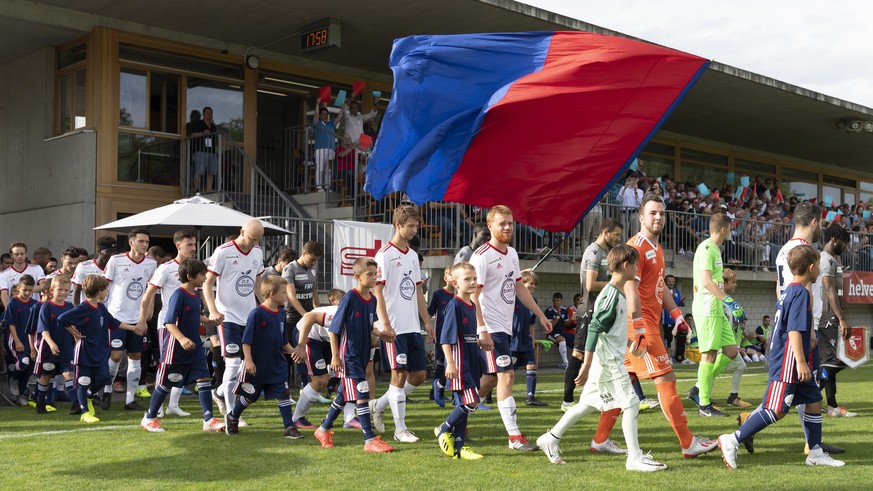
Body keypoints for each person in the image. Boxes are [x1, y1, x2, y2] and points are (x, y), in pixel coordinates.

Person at [538, 245, 667, 471]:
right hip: (608, 362)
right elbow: (595, 327)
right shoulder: (611, 294)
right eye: (635, 264)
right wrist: (586, 365)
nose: (637, 268)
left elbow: (609, 330)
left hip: (606, 359)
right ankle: (634, 458)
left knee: (587, 404)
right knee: (633, 403)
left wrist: (629, 343)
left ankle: (551, 437)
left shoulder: (615, 292)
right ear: (626, 266)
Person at [718, 245, 845, 469]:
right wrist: (802, 362)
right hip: (788, 361)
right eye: (819, 266)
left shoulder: (793, 290)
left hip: (793, 358)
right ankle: (732, 440)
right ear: (812, 267)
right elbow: (793, 331)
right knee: (776, 409)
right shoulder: (799, 293)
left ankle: (815, 453)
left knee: (814, 401)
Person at [617, 194, 717, 457]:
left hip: (646, 322)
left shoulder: (657, 248)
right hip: (640, 325)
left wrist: (678, 316)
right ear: (641, 217)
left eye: (662, 213)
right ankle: (688, 443)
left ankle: (598, 439)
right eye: (652, 213)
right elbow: (630, 288)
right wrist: (638, 327)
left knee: (617, 384)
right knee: (666, 378)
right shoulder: (636, 246)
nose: (658, 217)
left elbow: (661, 289)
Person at [472, 205, 552, 451]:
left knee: (489, 380)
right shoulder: (481, 256)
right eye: (502, 223)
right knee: (507, 374)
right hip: (490, 326)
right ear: (490, 226)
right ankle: (514, 437)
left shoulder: (512, 254)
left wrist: (539, 315)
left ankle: (455, 419)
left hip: (505, 327)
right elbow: (474, 295)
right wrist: (481, 328)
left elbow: (519, 288)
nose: (507, 227)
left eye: (510, 223)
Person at [767, 201, 843, 455]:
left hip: (792, 326)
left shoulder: (784, 250)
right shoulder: (804, 250)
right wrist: (809, 330)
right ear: (813, 222)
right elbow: (804, 290)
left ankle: (814, 444)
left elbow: (779, 289)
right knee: (786, 395)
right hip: (801, 329)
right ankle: (744, 429)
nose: (821, 226)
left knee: (805, 392)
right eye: (820, 222)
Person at [313, 257, 396, 453]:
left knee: (343, 396)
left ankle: (323, 428)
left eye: (376, 274)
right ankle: (369, 439)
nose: (374, 277)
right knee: (362, 391)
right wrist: (335, 356)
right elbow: (334, 329)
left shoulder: (372, 299)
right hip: (348, 355)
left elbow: (367, 326)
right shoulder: (350, 297)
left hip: (362, 354)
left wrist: (382, 334)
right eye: (370, 274)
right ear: (357, 276)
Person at [370, 205, 434, 443]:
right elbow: (378, 291)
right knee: (398, 375)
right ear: (398, 225)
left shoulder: (412, 255)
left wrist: (426, 321)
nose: (414, 231)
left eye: (416, 226)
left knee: (417, 376)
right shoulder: (384, 254)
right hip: (393, 327)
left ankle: (379, 405)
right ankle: (400, 430)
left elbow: (417, 289)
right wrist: (385, 323)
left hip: (411, 326)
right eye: (410, 226)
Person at [140, 258, 226, 433]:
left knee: (204, 380)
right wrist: (181, 339)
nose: (205, 277)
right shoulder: (178, 295)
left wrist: (209, 319)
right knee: (166, 383)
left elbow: (193, 317)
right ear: (189, 276)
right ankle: (149, 417)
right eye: (202, 274)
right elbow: (169, 322)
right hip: (175, 349)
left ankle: (208, 419)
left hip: (193, 348)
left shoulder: (195, 295)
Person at [203, 218, 265, 424]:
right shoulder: (222, 251)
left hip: (249, 316)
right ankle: (232, 415)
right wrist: (213, 310)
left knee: (243, 367)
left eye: (257, 240)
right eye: (251, 239)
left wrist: (264, 307)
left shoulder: (257, 252)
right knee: (232, 366)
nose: (254, 243)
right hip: (227, 316)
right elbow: (207, 283)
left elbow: (257, 282)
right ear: (241, 232)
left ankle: (220, 392)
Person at [224, 275, 302, 439]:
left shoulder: (281, 314)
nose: (286, 296)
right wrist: (249, 361)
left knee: (284, 394)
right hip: (258, 365)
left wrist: (295, 351)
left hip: (277, 364)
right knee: (250, 397)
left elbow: (283, 341)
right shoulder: (257, 313)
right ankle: (233, 416)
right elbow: (246, 341)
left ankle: (289, 427)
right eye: (283, 293)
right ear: (272, 294)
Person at [59, 275, 142, 423]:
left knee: (104, 379)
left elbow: (114, 323)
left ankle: (88, 396)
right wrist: (75, 334)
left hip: (101, 352)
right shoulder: (83, 307)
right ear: (98, 291)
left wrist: (134, 328)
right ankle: (85, 412)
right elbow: (62, 319)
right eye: (105, 290)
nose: (106, 293)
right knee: (83, 380)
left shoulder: (101, 308)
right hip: (85, 352)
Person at [563, 219, 623, 411]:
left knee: (602, 354)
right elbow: (590, 285)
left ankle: (605, 397)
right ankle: (567, 401)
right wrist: (615, 282)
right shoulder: (594, 252)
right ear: (606, 232)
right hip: (588, 310)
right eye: (617, 234)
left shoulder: (606, 253)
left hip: (600, 309)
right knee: (578, 353)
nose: (618, 238)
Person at [138, 229, 198, 418]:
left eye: (195, 244)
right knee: (166, 364)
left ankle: (173, 405)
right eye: (189, 244)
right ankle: (158, 406)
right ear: (178, 245)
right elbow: (148, 294)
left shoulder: (195, 268)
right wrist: (143, 317)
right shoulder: (165, 268)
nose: (193, 248)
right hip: (168, 324)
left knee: (183, 364)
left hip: (189, 324)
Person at [687, 213, 742, 417]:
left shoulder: (716, 250)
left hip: (716, 309)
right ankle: (704, 406)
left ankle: (699, 388)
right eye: (730, 228)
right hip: (707, 308)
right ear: (724, 229)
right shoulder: (707, 249)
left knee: (731, 351)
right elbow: (707, 282)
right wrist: (729, 301)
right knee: (709, 355)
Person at [433, 262, 485, 460]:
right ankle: (444, 428)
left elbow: (466, 335)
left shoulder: (471, 305)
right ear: (455, 283)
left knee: (466, 403)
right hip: (459, 362)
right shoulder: (454, 305)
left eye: (474, 278)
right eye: (467, 279)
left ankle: (460, 447)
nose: (472, 282)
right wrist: (451, 363)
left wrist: (479, 342)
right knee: (472, 401)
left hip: (472, 361)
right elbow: (446, 338)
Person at [103, 228, 158, 411]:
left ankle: (130, 400)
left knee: (136, 356)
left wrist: (147, 311)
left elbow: (151, 289)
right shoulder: (116, 261)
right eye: (141, 241)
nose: (144, 245)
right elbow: (105, 287)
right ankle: (107, 389)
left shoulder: (151, 264)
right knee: (116, 355)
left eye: (147, 242)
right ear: (131, 242)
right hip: (116, 317)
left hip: (138, 318)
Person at [289, 288, 345, 428]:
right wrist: (301, 345)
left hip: (325, 339)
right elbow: (309, 317)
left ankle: (349, 418)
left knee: (348, 376)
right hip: (309, 335)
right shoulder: (339, 313)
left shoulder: (362, 317)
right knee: (320, 380)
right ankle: (296, 418)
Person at [816, 224, 856, 417]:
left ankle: (832, 406)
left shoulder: (833, 260)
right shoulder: (826, 260)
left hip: (831, 318)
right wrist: (841, 318)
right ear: (834, 238)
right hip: (827, 319)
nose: (845, 246)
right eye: (844, 242)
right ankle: (809, 395)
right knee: (840, 360)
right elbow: (828, 288)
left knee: (830, 362)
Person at [282, 241, 322, 392]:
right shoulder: (289, 269)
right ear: (304, 254)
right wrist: (306, 316)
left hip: (307, 317)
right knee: (289, 353)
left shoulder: (313, 267)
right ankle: (284, 388)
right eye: (312, 259)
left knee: (306, 351)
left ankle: (306, 385)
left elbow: (314, 290)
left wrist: (316, 309)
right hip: (291, 317)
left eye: (316, 260)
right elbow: (291, 296)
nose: (314, 263)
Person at [33, 275, 75, 414]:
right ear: (52, 290)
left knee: (69, 373)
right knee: (47, 375)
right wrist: (51, 343)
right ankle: (40, 402)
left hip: (66, 346)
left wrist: (77, 336)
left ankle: (76, 404)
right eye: (60, 289)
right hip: (48, 348)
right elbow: (43, 329)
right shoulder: (46, 307)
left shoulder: (70, 306)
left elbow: (72, 325)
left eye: (66, 290)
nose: (63, 292)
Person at [718, 268, 753, 408]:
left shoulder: (729, 301)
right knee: (713, 370)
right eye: (733, 282)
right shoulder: (719, 301)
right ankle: (700, 395)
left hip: (727, 344)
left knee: (739, 366)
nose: (735, 285)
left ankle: (732, 397)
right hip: (721, 345)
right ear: (724, 284)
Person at [512, 269, 547, 406]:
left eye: (535, 284)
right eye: (530, 283)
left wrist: (532, 340)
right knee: (508, 370)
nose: (533, 286)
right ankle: (489, 394)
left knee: (532, 365)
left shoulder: (533, 301)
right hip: (513, 339)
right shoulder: (513, 298)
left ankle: (530, 397)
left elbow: (531, 323)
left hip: (526, 339)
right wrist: (521, 272)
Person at [2, 274, 38, 405]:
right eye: (25, 290)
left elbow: (35, 326)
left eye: (30, 290)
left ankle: (22, 394)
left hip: (30, 340)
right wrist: (16, 341)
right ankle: (13, 379)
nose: (27, 293)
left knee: (29, 368)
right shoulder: (13, 303)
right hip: (16, 338)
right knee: (23, 362)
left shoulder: (35, 304)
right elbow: (10, 323)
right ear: (18, 288)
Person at [428, 266, 455, 407]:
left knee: (454, 363)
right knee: (441, 364)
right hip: (441, 335)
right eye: (452, 275)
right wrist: (428, 328)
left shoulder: (460, 294)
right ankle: (436, 391)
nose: (454, 278)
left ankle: (455, 394)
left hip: (456, 336)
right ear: (445, 278)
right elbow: (430, 312)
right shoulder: (439, 294)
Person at [72, 236, 116, 305]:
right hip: (89, 311)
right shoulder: (84, 266)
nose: (112, 255)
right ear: (99, 252)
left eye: (114, 252)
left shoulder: (117, 266)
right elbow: (77, 292)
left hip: (109, 312)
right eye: (108, 251)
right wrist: (78, 312)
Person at [1, 241, 47, 307]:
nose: (19, 256)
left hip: (33, 308)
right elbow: (4, 294)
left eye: (22, 254)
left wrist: (25, 290)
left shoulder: (37, 268)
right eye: (16, 254)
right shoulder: (4, 274)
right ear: (11, 255)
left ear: (25, 254)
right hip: (15, 309)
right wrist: (8, 310)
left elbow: (43, 285)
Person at [312, 102, 341, 192]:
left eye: (326, 114)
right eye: (323, 114)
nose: (325, 116)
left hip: (331, 149)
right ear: (320, 116)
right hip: (320, 149)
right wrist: (317, 102)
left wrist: (343, 108)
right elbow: (315, 115)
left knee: (329, 170)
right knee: (320, 169)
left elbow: (339, 118)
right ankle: (319, 187)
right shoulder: (317, 123)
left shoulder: (331, 123)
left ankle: (327, 187)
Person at [190, 106, 219, 193]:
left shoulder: (213, 126)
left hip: (212, 152)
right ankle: (197, 189)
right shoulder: (198, 124)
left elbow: (216, 139)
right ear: (203, 114)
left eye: (210, 113)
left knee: (211, 172)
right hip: (200, 151)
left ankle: (209, 189)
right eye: (207, 113)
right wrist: (202, 133)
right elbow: (192, 135)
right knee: (199, 170)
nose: (208, 114)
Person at [544, 292, 572, 370]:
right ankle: (566, 364)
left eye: (558, 300)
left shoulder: (564, 310)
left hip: (562, 333)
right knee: (562, 340)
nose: (556, 302)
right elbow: (551, 326)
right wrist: (558, 316)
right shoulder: (548, 311)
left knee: (576, 339)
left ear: (561, 301)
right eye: (554, 300)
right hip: (550, 334)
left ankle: (578, 362)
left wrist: (572, 320)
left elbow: (566, 324)